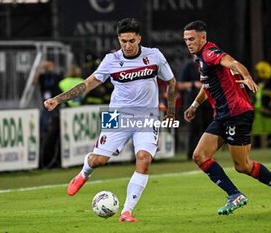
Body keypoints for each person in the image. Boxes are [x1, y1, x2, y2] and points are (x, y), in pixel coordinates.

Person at [44, 18, 177, 222]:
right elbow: (87, 84)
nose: (128, 45)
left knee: (144, 159)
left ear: (139, 38)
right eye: (123, 41)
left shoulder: (154, 56)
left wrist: (171, 111)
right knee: (99, 160)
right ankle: (83, 173)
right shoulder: (111, 60)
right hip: (117, 116)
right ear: (119, 39)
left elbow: (171, 82)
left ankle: (126, 211)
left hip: (147, 117)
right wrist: (58, 99)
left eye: (132, 41)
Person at [182, 20, 271, 215]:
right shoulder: (201, 58)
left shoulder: (210, 53)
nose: (188, 43)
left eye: (192, 39)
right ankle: (234, 195)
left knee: (242, 166)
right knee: (199, 156)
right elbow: (207, 85)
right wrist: (194, 105)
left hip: (237, 113)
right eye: (186, 40)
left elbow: (233, 63)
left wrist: (247, 76)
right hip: (223, 115)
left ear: (203, 38)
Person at [178, 58, 212, 160]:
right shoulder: (189, 67)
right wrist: (194, 84)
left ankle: (207, 153)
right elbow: (180, 85)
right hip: (193, 98)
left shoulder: (208, 66)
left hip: (208, 100)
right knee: (195, 127)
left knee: (208, 126)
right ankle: (192, 153)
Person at [33, 60, 62, 168]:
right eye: (47, 66)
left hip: (54, 106)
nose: (49, 68)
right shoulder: (43, 77)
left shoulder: (57, 76)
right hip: (45, 105)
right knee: (43, 124)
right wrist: (40, 67)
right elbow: (34, 82)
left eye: (50, 66)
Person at [252, 61, 271, 148]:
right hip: (257, 113)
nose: (257, 74)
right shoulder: (256, 83)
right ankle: (258, 152)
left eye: (258, 72)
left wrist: (270, 109)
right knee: (257, 133)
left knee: (270, 134)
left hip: (268, 114)